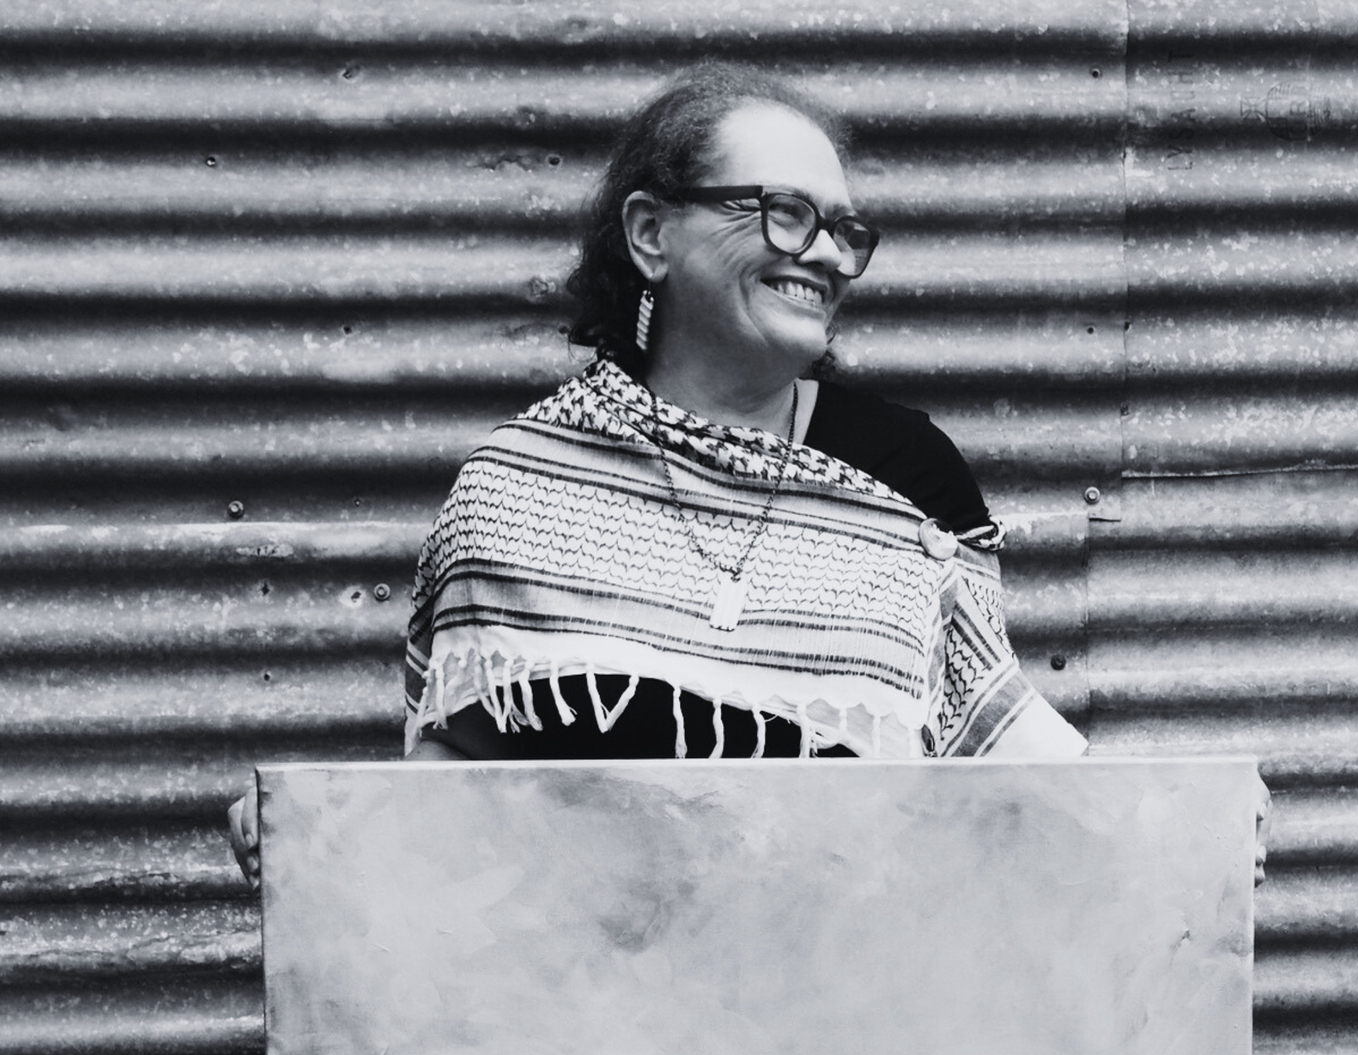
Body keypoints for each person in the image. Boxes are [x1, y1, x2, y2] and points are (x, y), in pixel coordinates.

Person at [230, 63, 1086, 884]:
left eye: (843, 230)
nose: (827, 254)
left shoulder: (907, 479)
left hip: (841, 969)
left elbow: (993, 780)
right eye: (787, 214)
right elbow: (463, 773)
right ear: (650, 234)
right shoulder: (522, 486)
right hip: (580, 975)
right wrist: (323, 827)